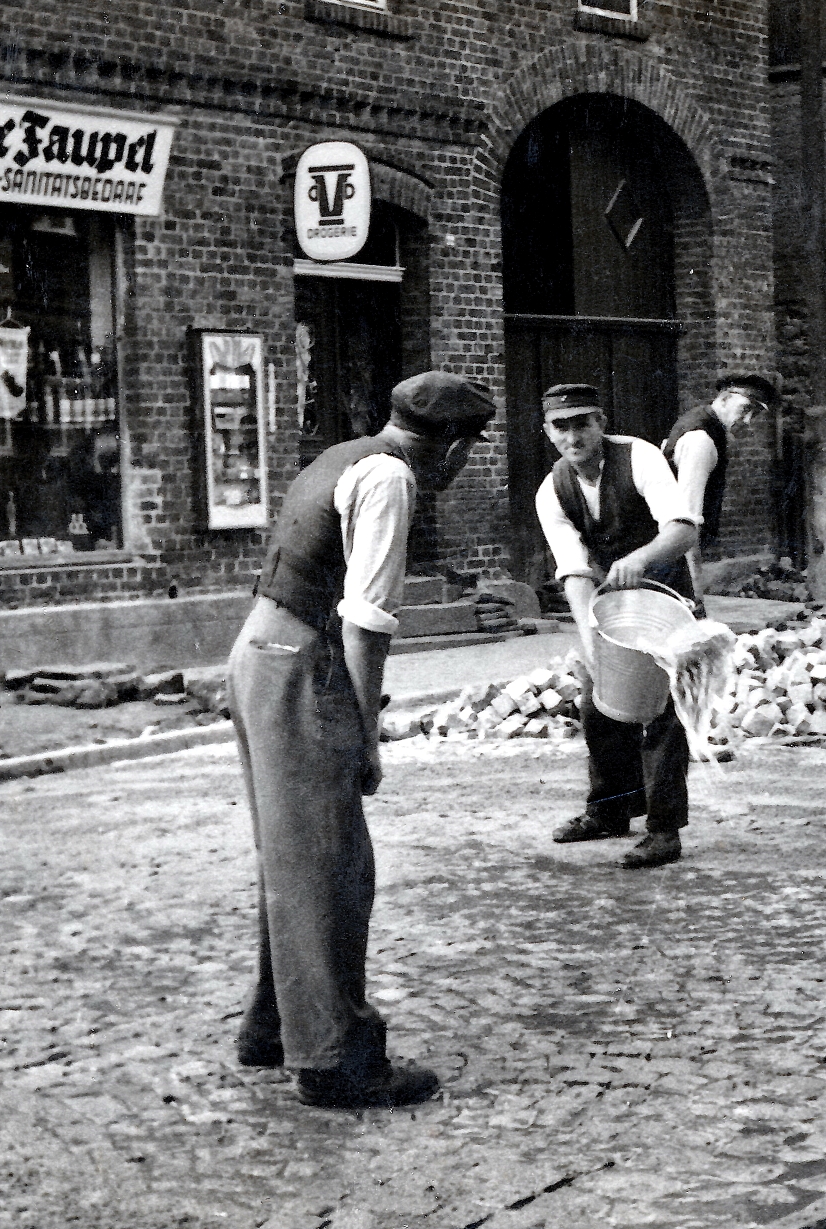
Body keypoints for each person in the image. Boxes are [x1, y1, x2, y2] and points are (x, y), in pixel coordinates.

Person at [230, 371, 495, 1109]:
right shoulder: (391, 480)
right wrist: (365, 728)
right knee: (331, 862)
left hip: (256, 647)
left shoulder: (342, 454)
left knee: (290, 852)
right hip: (300, 659)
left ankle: (275, 1025)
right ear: (451, 449)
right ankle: (335, 1059)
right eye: (469, 450)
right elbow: (366, 619)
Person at [537, 384, 701, 869]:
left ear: (601, 423)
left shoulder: (641, 457)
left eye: (582, 423)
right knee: (599, 702)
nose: (573, 436)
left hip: (667, 597)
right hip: (609, 608)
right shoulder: (553, 489)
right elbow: (574, 569)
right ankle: (608, 811)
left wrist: (641, 558)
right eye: (561, 427)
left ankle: (664, 830)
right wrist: (590, 641)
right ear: (547, 434)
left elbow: (683, 527)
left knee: (665, 711)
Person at [663, 374, 775, 598]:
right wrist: (696, 589)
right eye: (745, 409)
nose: (748, 421)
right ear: (724, 399)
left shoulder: (702, 423)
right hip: (667, 549)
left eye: (756, 413)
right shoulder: (700, 440)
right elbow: (686, 520)